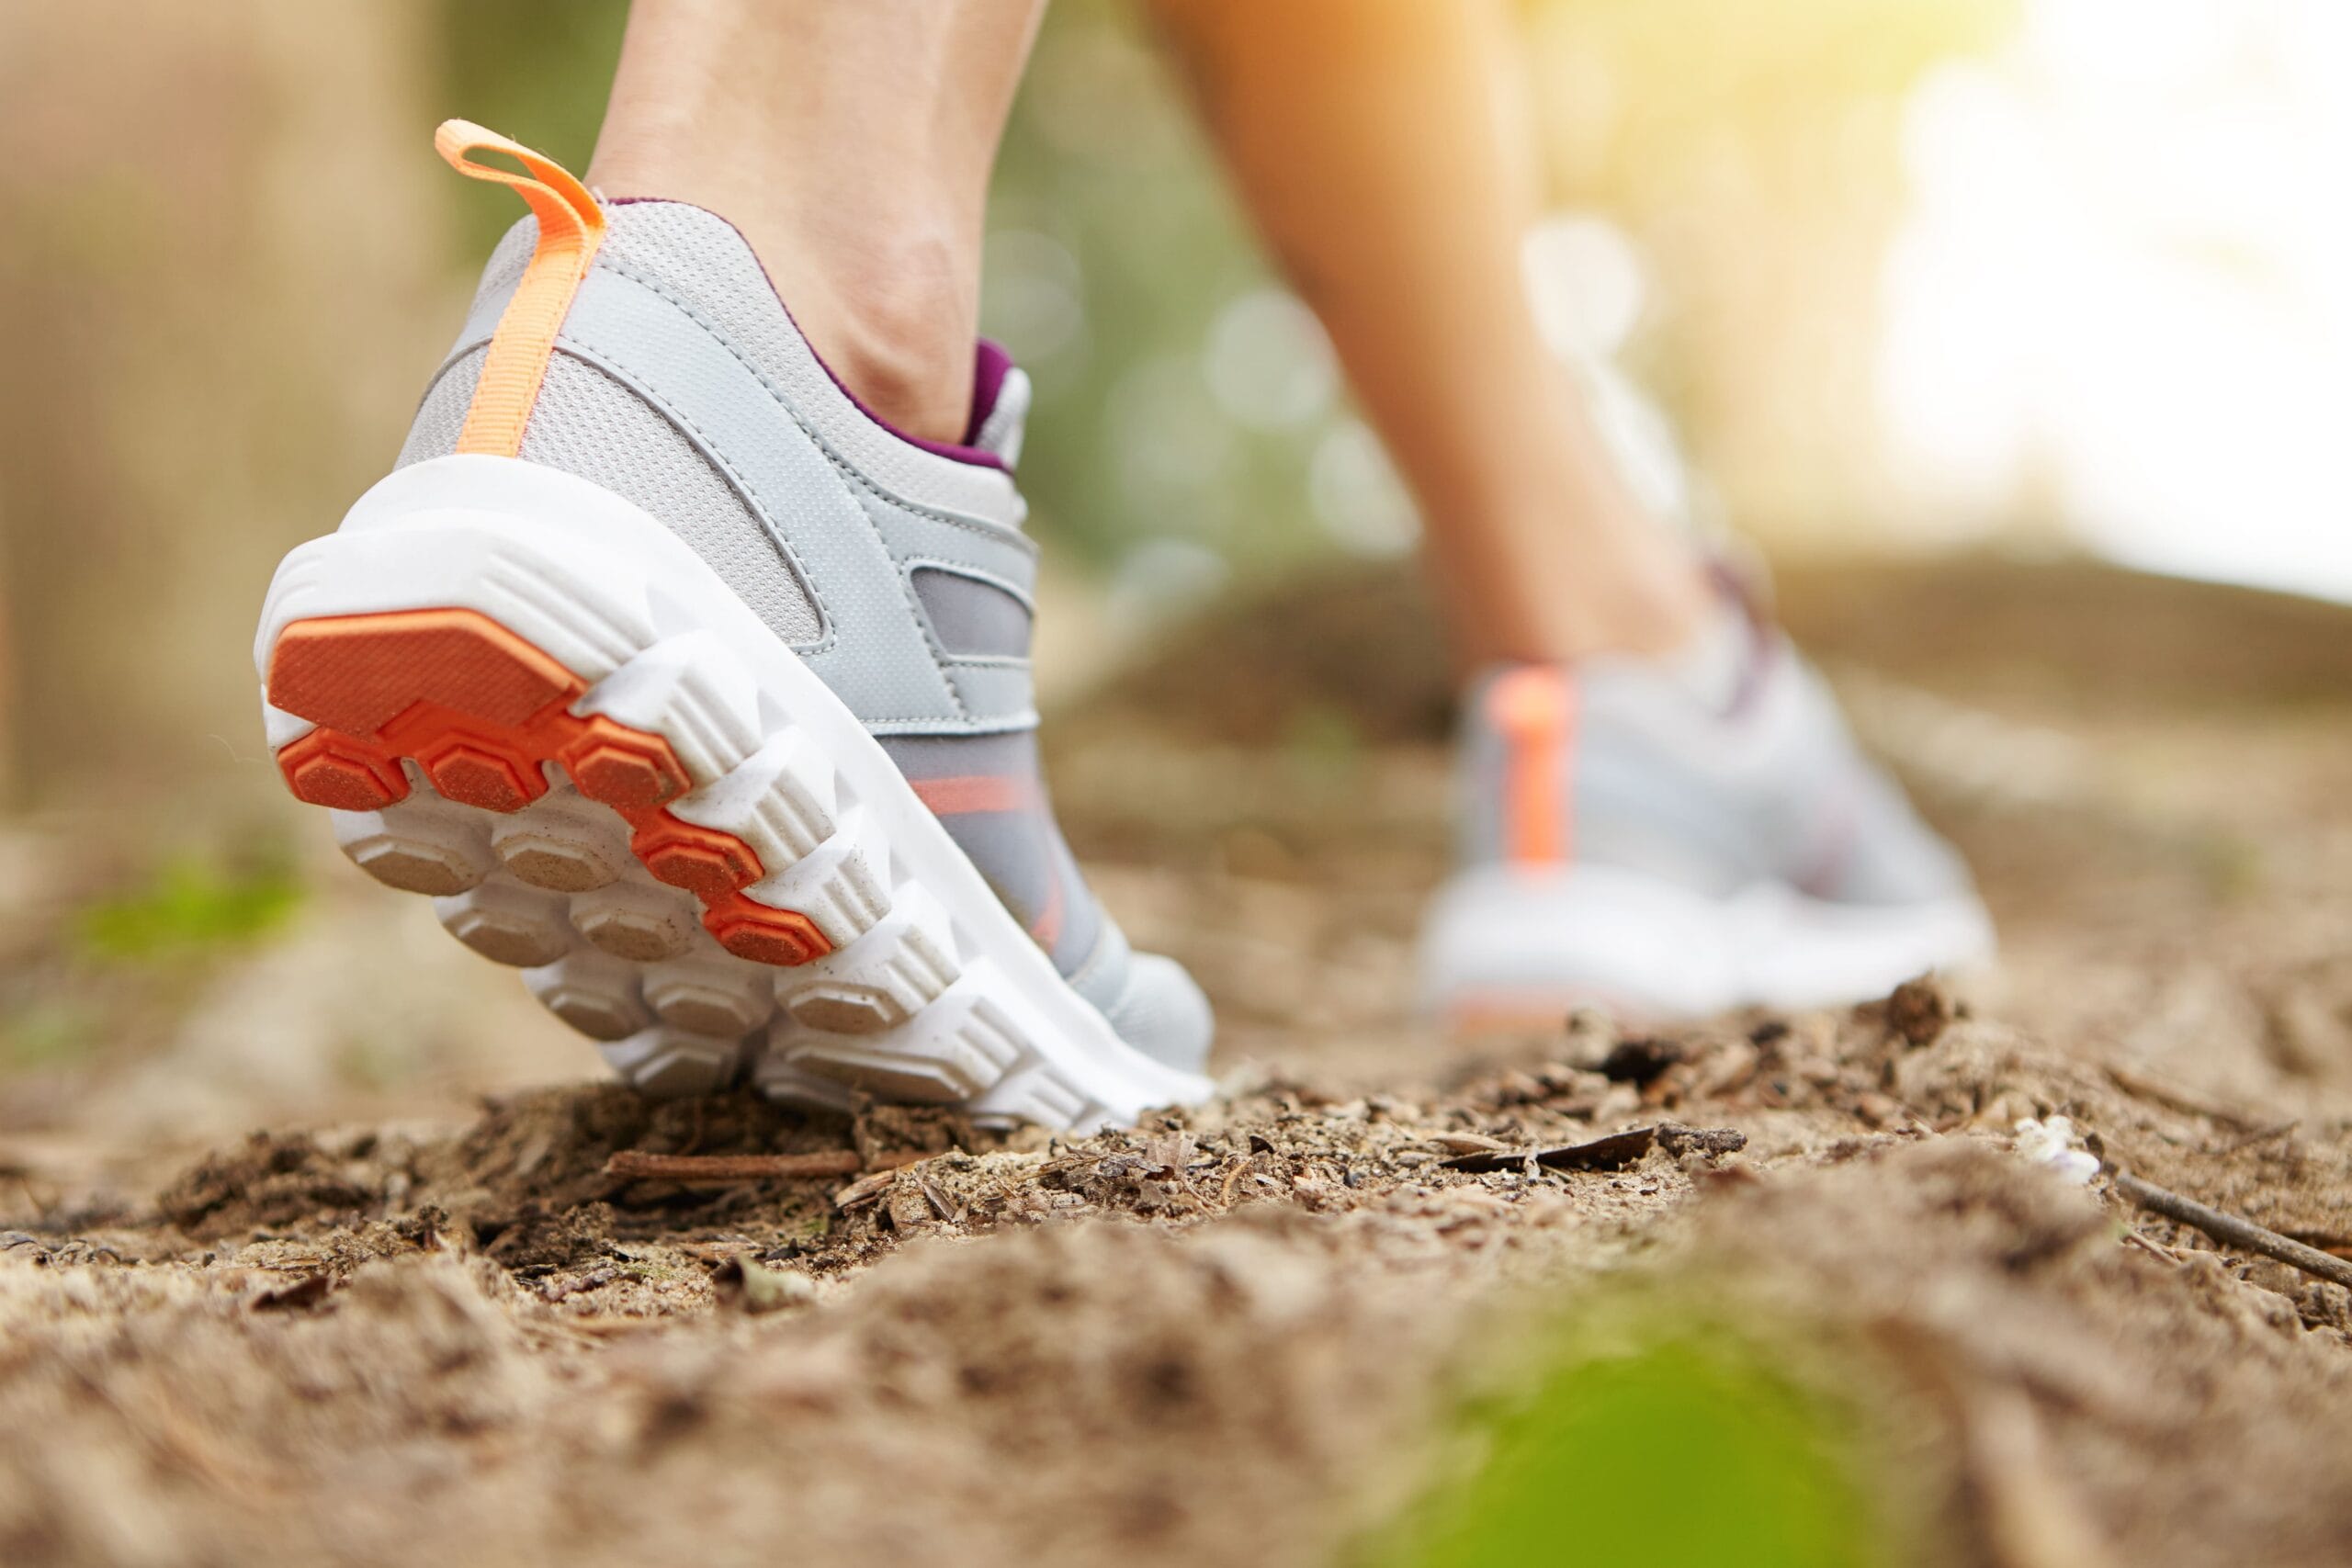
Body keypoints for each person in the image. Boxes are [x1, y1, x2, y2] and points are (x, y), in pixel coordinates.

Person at [253, 0, 1990, 1130]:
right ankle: (784, 275)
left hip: (585, 387)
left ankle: (1615, 656)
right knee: (784, 212)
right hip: (745, 378)